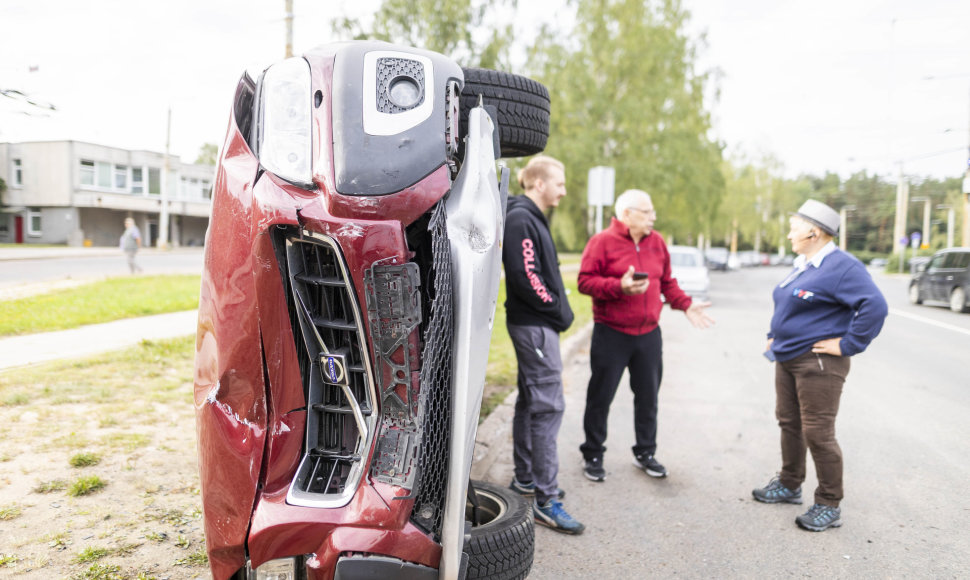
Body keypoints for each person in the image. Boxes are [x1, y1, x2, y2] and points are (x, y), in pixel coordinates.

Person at [753, 199, 888, 532]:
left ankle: (829, 503)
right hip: (788, 357)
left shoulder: (842, 266)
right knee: (789, 423)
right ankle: (789, 484)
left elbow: (876, 306)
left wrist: (847, 344)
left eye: (794, 226)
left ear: (814, 231)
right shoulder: (805, 263)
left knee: (818, 433)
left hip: (818, 364)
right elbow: (789, 303)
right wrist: (775, 335)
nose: (789, 233)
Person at [578, 189, 713, 483]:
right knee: (601, 397)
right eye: (647, 211)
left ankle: (645, 453)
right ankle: (593, 453)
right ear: (627, 214)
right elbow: (585, 282)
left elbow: (667, 282)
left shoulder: (657, 242)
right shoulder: (602, 242)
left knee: (648, 398)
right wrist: (619, 287)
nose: (653, 217)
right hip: (611, 333)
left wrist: (686, 305)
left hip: (649, 335)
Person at [502, 155, 584, 535]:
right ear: (538, 184)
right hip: (535, 328)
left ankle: (526, 480)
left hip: (536, 326)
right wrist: (555, 309)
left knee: (530, 401)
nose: (564, 191)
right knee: (548, 407)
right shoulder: (521, 218)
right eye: (560, 183)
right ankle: (547, 500)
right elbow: (525, 276)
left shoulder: (530, 217)